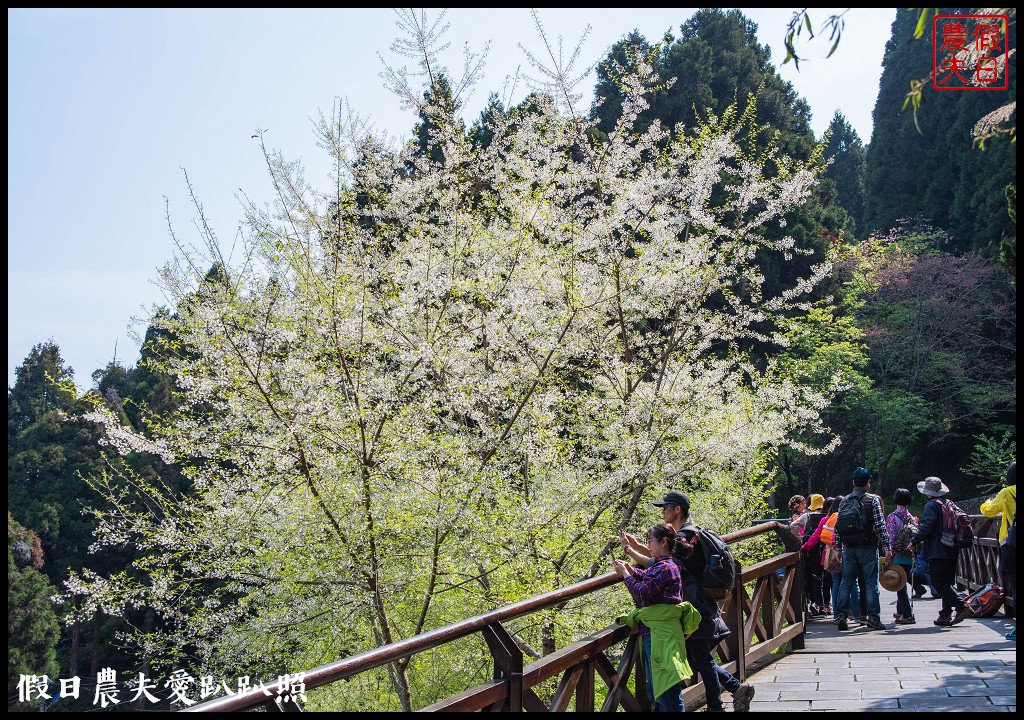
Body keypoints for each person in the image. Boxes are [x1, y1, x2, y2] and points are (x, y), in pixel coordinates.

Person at [620, 492, 755, 713]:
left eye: (665, 507)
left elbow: (664, 565)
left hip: (694, 605)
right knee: (697, 657)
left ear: (677, 510)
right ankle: (733, 690)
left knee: (699, 658)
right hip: (697, 602)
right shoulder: (690, 534)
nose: (662, 511)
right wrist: (638, 547)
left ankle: (721, 702)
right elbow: (663, 559)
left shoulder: (684, 536)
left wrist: (629, 553)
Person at [613, 523, 690, 712]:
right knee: (657, 689)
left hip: (661, 635)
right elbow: (647, 575)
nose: (648, 546)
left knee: (666, 691)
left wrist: (625, 574)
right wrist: (630, 570)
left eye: (650, 541)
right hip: (655, 633)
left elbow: (642, 592)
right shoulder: (664, 565)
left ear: (663, 542)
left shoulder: (667, 567)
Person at [833, 467, 892, 631]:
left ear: (853, 482)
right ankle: (873, 618)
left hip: (849, 548)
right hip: (868, 546)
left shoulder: (844, 501)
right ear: (868, 483)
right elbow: (880, 525)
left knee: (846, 582)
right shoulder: (872, 500)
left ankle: (841, 615)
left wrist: (838, 548)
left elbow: (838, 526)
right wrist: (887, 547)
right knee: (871, 582)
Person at [910, 476, 972, 627]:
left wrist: (914, 541)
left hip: (938, 550)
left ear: (928, 492)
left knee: (938, 582)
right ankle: (945, 615)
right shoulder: (949, 503)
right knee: (947, 582)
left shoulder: (931, 505)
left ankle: (961, 606)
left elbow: (927, 526)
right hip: (952, 548)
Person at [980, 459, 1016, 623]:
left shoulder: (1006, 493)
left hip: (1011, 542)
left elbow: (988, 511)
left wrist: (986, 503)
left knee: (1014, 583)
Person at [885, 488, 917, 624]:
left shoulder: (892, 517)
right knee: (902, 583)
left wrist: (888, 553)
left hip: (896, 555)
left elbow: (890, 537)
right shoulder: (912, 518)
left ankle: (908, 615)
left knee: (900, 585)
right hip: (908, 556)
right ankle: (900, 612)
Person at [800, 494, 830, 617]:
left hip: (812, 552)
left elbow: (793, 526)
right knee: (828, 579)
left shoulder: (807, 516)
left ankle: (818, 604)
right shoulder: (827, 517)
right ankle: (827, 605)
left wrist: (802, 542)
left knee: (815, 578)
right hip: (826, 552)